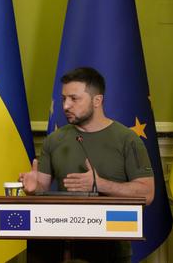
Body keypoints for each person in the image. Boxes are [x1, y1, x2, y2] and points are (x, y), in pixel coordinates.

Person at [18, 67, 154, 263]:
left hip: (110, 247)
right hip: (58, 245)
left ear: (97, 101)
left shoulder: (127, 139)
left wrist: (100, 184)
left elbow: (147, 193)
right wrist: (33, 188)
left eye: (74, 99)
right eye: (64, 98)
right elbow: (42, 187)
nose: (65, 106)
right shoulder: (54, 139)